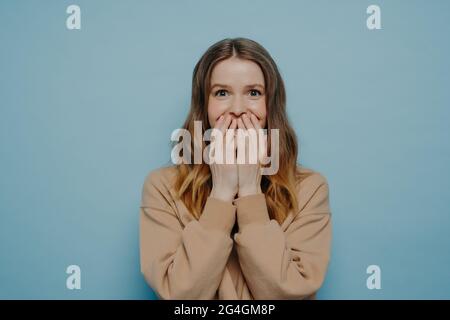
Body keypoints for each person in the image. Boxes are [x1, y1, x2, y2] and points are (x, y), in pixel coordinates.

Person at [139, 37, 332, 299]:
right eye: (221, 93)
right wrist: (222, 192)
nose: (238, 109)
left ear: (271, 104)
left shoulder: (310, 189)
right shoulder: (162, 188)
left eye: (254, 93)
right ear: (203, 106)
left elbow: (289, 295)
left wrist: (251, 191)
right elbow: (181, 297)